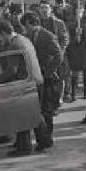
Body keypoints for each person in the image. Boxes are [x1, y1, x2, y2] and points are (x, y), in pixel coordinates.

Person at [0, 20, 53, 156]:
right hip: (36, 80)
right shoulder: (23, 39)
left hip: (26, 82)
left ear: (4, 33)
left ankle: (24, 147)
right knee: (34, 113)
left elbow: (12, 71)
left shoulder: (14, 45)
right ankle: (45, 140)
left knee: (21, 115)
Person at [20, 12, 63, 150]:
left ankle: (47, 138)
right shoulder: (28, 37)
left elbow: (59, 55)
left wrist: (48, 72)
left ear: (31, 23)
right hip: (36, 77)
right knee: (39, 107)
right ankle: (43, 138)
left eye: (26, 26)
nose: (25, 29)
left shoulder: (48, 36)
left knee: (47, 109)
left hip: (49, 77)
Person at [39, 0, 69, 103]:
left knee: (59, 78)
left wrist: (59, 52)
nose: (44, 10)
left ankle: (58, 99)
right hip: (43, 58)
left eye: (46, 8)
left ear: (50, 9)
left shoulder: (58, 23)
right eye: (42, 8)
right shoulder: (38, 24)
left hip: (57, 55)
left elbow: (65, 39)